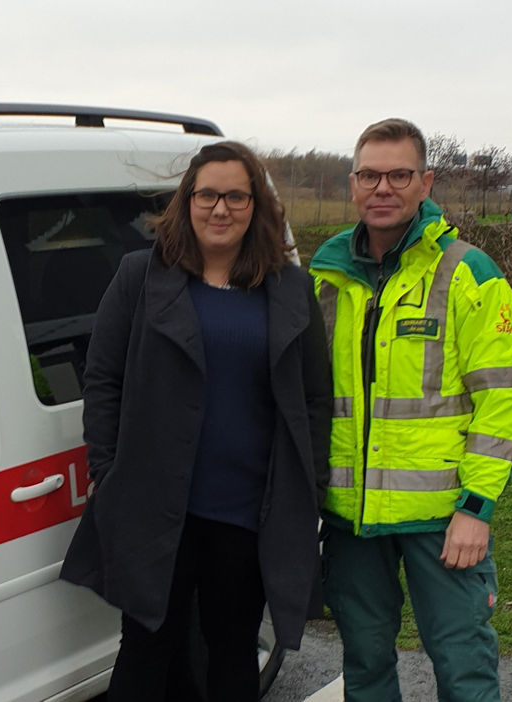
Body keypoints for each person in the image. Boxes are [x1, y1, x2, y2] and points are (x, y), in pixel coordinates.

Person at [60, 141, 331, 701]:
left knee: (231, 653)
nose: (220, 208)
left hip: (246, 516)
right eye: (207, 194)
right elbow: (103, 378)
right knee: (144, 651)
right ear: (187, 201)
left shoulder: (288, 290)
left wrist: (310, 484)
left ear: (256, 206)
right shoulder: (141, 277)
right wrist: (106, 470)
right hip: (157, 510)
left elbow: (313, 400)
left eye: (235, 195)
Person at [307, 118, 512, 702]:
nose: (384, 188)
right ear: (353, 184)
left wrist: (476, 509)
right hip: (352, 517)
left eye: (399, 175)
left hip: (443, 520)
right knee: (365, 663)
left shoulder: (468, 274)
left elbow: (502, 402)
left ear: (425, 182)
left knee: (464, 667)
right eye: (370, 175)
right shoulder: (325, 279)